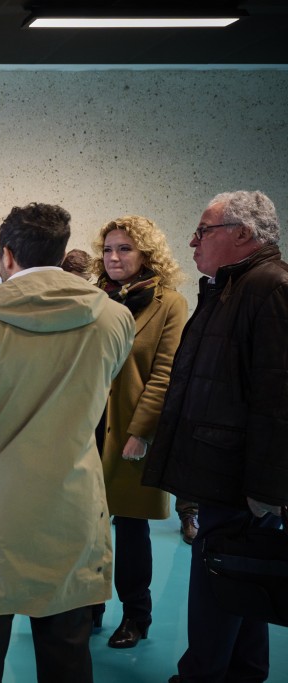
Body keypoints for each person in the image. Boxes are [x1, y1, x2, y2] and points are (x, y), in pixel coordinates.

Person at [0, 203, 134, 683]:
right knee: (67, 652)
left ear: (7, 254)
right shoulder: (113, 318)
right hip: (70, 508)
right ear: (61, 252)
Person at [143, 190, 288, 683]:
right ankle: (243, 673)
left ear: (243, 235)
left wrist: (266, 490)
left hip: (237, 479)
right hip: (221, 470)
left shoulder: (269, 289)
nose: (192, 241)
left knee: (217, 589)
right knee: (240, 582)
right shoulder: (229, 288)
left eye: (204, 231)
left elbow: (278, 400)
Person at [90, 216, 188, 649]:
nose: (114, 257)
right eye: (108, 249)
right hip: (87, 427)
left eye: (124, 249)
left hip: (132, 429)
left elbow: (165, 374)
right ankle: (88, 606)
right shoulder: (94, 298)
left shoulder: (170, 304)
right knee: (86, 526)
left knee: (131, 528)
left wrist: (142, 431)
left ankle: (136, 615)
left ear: (147, 253)